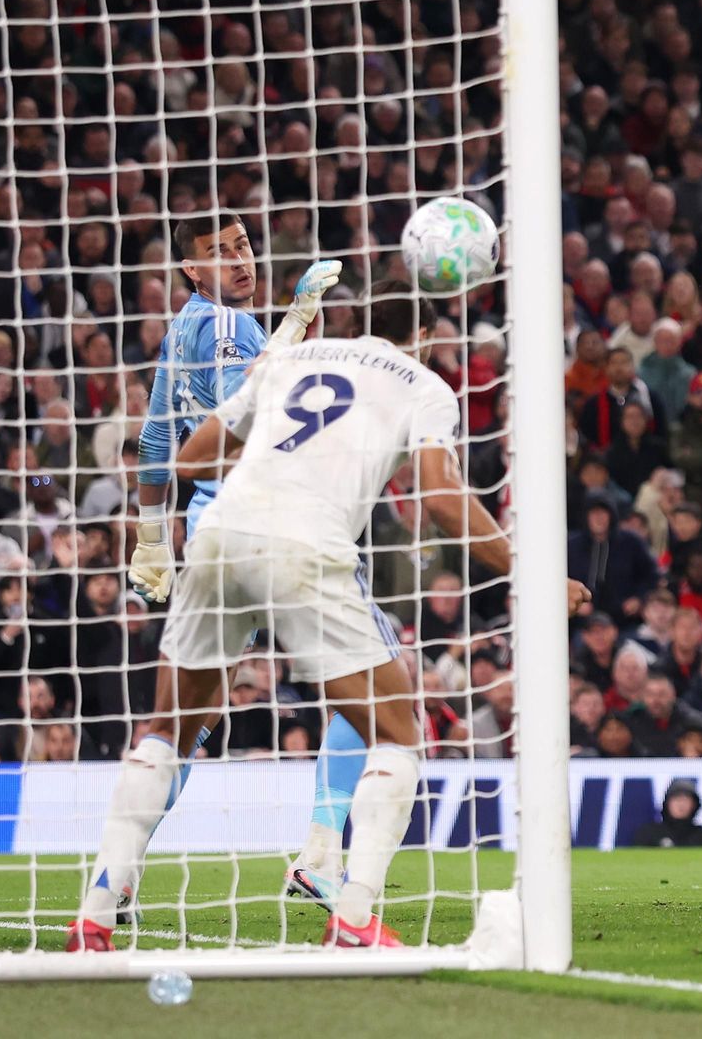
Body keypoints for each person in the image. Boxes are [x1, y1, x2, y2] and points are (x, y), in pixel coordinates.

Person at [69, 284, 511, 951]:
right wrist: (524, 566)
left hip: (220, 530)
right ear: (427, 338)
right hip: (306, 544)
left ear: (356, 325)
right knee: (396, 728)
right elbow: (443, 496)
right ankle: (354, 913)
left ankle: (95, 913)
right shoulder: (424, 385)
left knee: (166, 727)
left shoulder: (290, 358)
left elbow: (192, 460)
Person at [125, 212, 387, 919]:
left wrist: (151, 536)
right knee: (376, 673)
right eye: (219, 252)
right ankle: (322, 854)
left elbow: (155, 441)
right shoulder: (234, 328)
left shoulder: (180, 328)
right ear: (190, 268)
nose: (241, 261)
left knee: (188, 719)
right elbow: (261, 409)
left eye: (243, 246)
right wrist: (300, 320)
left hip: (205, 529)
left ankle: (116, 875)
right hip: (268, 520)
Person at [631, 779, 702, 847]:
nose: (681, 805)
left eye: (686, 800)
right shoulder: (648, 834)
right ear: (667, 803)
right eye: (676, 799)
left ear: (694, 805)